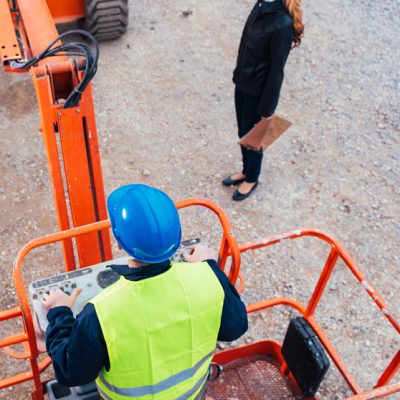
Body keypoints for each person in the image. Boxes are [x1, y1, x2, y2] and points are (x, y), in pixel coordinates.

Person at [40, 184, 248, 399]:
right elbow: (235, 328)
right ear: (176, 237)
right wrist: (209, 265)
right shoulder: (207, 278)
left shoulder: (102, 312)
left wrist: (59, 312)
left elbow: (71, 372)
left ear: (120, 243)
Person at [223, 0, 304, 201]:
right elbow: (245, 42)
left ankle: (252, 178)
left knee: (254, 137)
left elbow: (277, 71)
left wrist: (268, 107)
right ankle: (245, 169)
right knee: (243, 131)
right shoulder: (261, 4)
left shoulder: (282, 23)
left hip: (258, 91)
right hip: (243, 81)